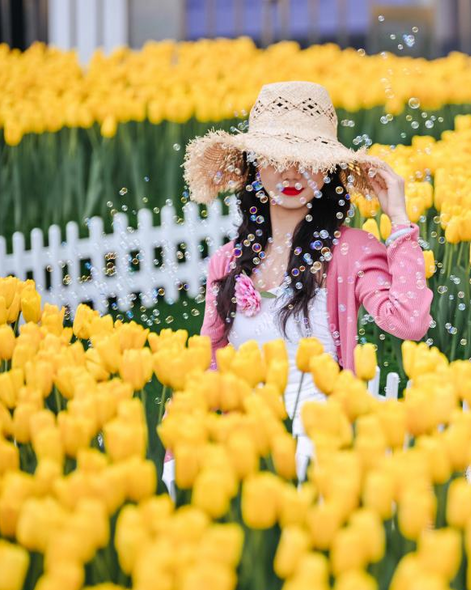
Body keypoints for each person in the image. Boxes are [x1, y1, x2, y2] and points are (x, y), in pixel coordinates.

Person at [163, 81, 432, 486]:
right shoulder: (227, 262)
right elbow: (209, 362)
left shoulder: (351, 252)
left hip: (320, 449)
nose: (291, 173)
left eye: (308, 159)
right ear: (253, 166)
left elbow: (410, 323)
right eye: (275, 157)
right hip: (244, 453)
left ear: (329, 171)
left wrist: (399, 221)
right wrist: (176, 453)